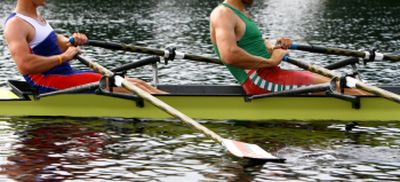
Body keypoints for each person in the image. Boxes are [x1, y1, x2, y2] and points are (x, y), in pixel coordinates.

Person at [3, 0, 165, 94]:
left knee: (135, 82)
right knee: (129, 86)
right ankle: (180, 107)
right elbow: (25, 65)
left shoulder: (37, 17)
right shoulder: (16, 25)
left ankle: (172, 99)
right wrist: (63, 57)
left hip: (66, 75)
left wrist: (71, 41)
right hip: (47, 82)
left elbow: (54, 42)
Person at [210, 0, 364, 95]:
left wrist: (276, 46)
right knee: (338, 85)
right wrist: (271, 62)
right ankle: (379, 108)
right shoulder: (223, 13)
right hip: (260, 80)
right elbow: (229, 55)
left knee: (339, 81)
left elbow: (258, 46)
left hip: (271, 75)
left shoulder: (241, 13)